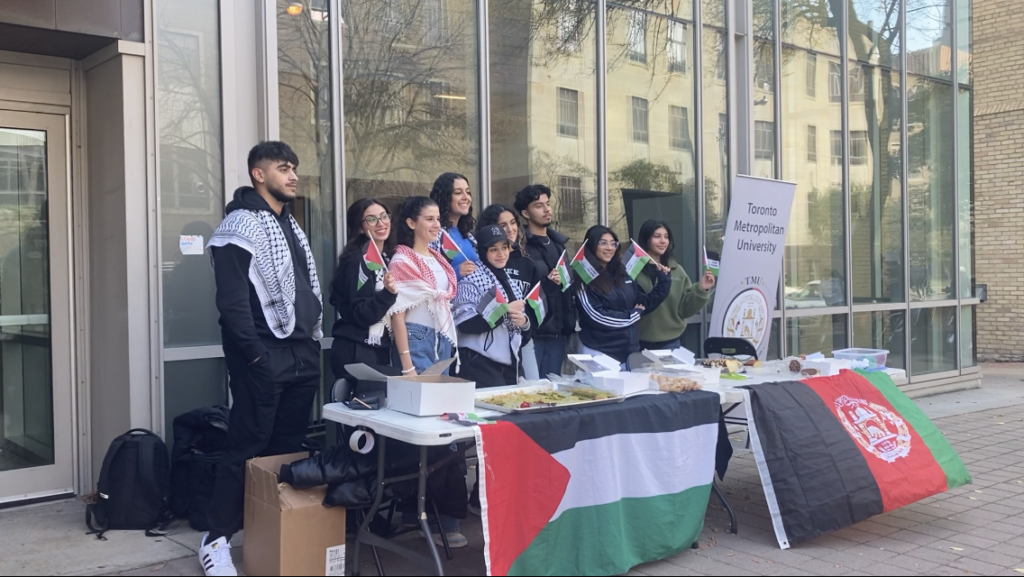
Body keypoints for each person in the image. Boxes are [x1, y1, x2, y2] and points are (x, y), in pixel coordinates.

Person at [201, 142, 323, 577]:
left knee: (286, 450)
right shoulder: (240, 225)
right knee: (246, 447)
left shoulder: (290, 225)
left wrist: (309, 345)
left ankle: (269, 531)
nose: (292, 176)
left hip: (301, 352)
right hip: (262, 357)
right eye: (283, 168)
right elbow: (232, 304)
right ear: (258, 174)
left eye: (294, 168)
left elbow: (305, 290)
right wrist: (255, 357)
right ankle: (215, 538)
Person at [575, 225, 671, 367]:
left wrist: (663, 281)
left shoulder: (622, 274)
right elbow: (596, 315)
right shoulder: (584, 277)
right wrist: (632, 315)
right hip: (599, 353)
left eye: (613, 243)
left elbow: (642, 303)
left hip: (628, 354)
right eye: (603, 243)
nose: (609, 248)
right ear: (592, 244)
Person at [387, 196, 459, 376]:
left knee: (440, 400)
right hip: (415, 338)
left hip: (441, 337)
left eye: (437, 219)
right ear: (411, 223)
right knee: (423, 401)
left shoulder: (438, 258)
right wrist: (407, 366)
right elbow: (397, 316)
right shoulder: (401, 261)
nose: (436, 225)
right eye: (429, 219)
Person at [329, 198, 398, 384]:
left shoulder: (390, 258)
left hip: (380, 349)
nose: (381, 223)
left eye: (384, 216)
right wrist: (387, 294)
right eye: (372, 219)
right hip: (357, 350)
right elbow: (361, 313)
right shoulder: (357, 262)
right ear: (360, 228)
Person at [453, 224, 531, 387]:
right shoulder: (470, 280)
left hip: (510, 364)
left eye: (504, 247)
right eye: (494, 249)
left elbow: (523, 334)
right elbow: (465, 325)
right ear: (483, 251)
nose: (501, 254)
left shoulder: (511, 283)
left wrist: (524, 322)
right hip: (478, 363)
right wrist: (504, 311)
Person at [514, 184, 575, 377]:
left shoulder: (559, 244)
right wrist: (546, 283)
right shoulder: (521, 247)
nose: (547, 209)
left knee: (554, 392)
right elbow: (520, 290)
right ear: (525, 213)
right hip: (533, 334)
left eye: (547, 204)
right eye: (538, 205)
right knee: (533, 391)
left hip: (559, 332)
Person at [477, 204, 542, 380]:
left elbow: (535, 302)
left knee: (532, 391)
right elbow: (472, 319)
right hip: (490, 348)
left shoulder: (527, 262)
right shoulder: (480, 269)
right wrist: (505, 309)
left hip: (522, 338)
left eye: (513, 223)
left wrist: (526, 323)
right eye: (503, 225)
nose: (510, 229)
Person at [636, 220, 715, 350]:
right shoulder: (633, 270)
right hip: (638, 343)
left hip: (671, 343)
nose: (663, 241)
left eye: (666, 237)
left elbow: (685, 310)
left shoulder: (676, 270)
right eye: (657, 236)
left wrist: (702, 288)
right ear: (646, 239)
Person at [429, 172, 478, 279]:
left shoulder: (468, 236)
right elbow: (429, 278)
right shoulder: (435, 234)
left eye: (468, 192)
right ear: (445, 197)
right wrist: (456, 272)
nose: (466, 197)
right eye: (458, 193)